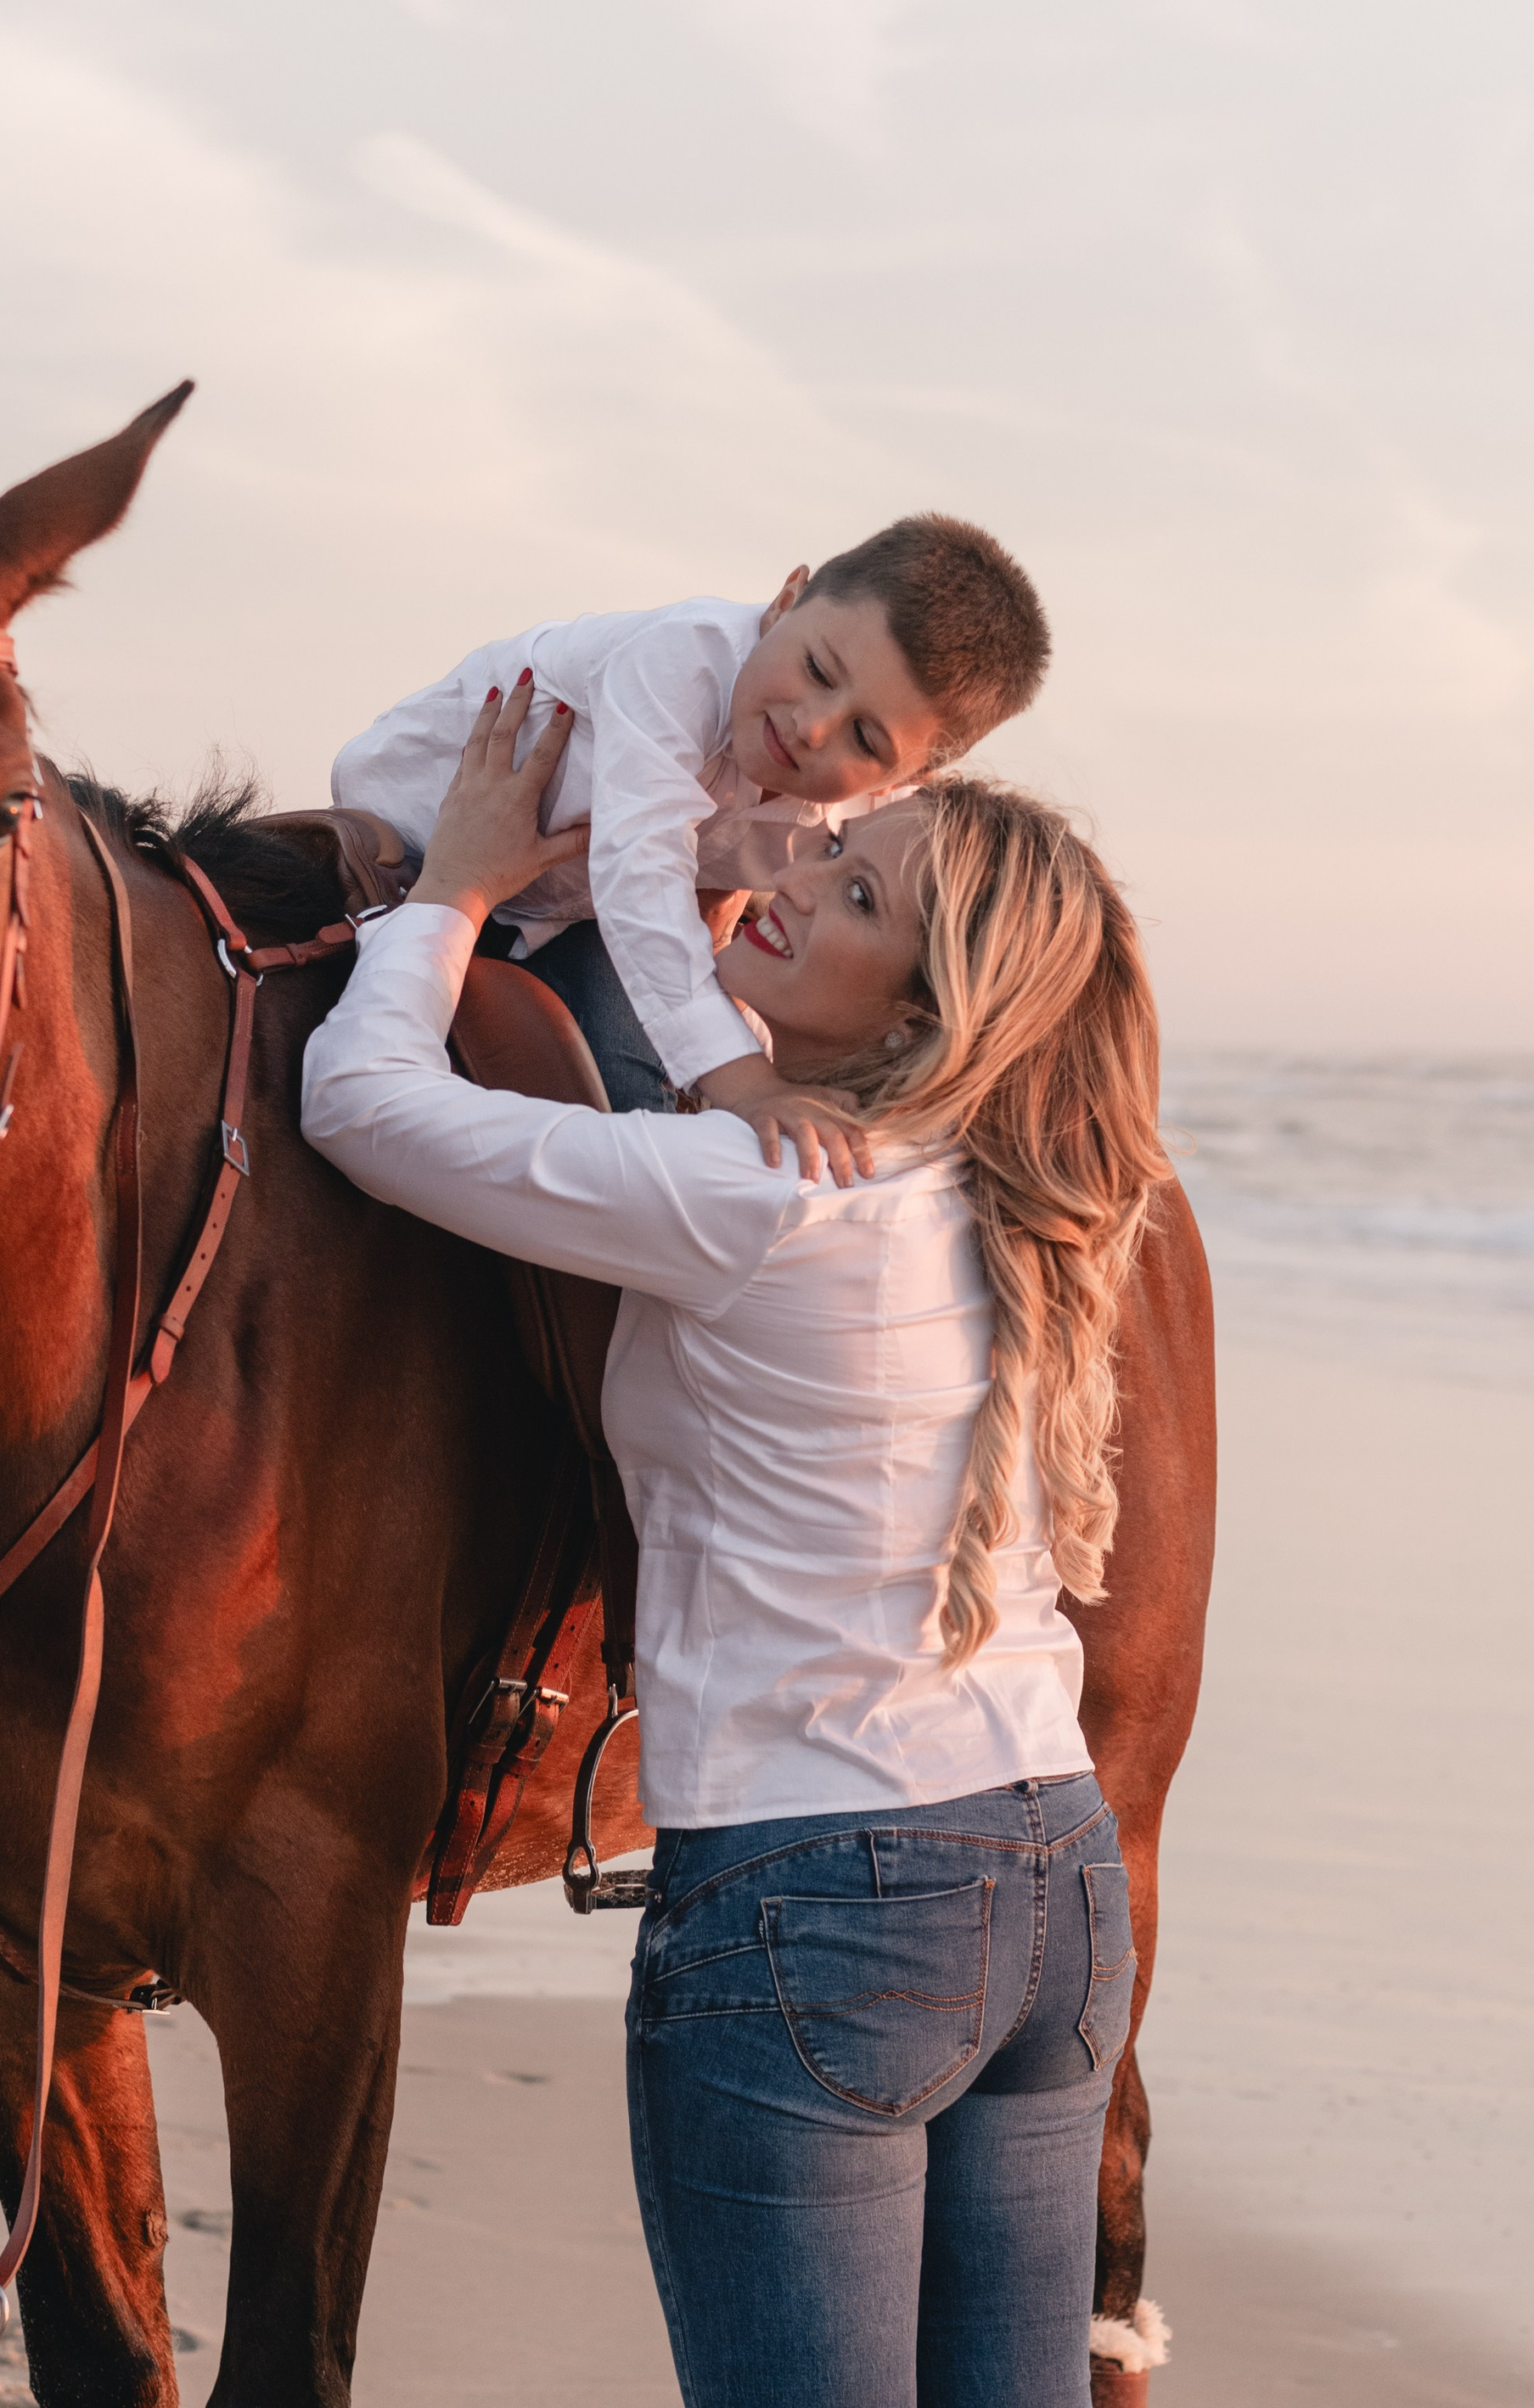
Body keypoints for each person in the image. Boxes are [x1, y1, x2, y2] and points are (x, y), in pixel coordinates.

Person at [302, 682, 1171, 2407]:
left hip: (818, 1897)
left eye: (857, 900)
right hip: (1053, 1876)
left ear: (924, 1008)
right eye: (841, 848)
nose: (797, 877)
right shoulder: (999, 1192)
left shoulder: (750, 1195)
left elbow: (359, 1102)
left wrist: (455, 891)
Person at [329, 516, 1048, 1178]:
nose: (813, 728)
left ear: (914, 775)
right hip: (424, 838)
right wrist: (745, 1083)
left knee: (635, 1092)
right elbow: (641, 873)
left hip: (571, 916)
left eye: (866, 738)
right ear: (785, 602)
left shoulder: (869, 811)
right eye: (819, 671)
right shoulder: (676, 661)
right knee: (640, 1089)